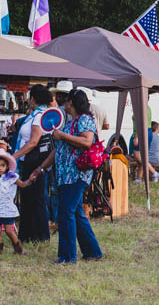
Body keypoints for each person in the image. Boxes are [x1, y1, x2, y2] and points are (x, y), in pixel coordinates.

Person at [31, 89, 103, 263]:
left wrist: (62, 135)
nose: (64, 103)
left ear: (72, 102)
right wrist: (40, 168)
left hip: (76, 175)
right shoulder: (70, 123)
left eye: (66, 100)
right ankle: (92, 251)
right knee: (76, 213)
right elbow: (58, 151)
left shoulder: (84, 120)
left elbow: (87, 141)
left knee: (66, 213)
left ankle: (67, 256)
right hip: (66, 176)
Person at [12, 84, 52, 243]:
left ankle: (40, 235)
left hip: (34, 161)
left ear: (33, 98)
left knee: (36, 198)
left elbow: (33, 142)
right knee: (28, 198)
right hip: (29, 161)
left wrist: (14, 156)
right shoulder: (34, 114)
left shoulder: (39, 116)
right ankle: (28, 234)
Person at [0, 149, 32, 254]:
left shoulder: (11, 177)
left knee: (9, 231)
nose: (0, 168)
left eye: (2, 165)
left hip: (7, 209)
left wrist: (29, 181)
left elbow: (22, 184)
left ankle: (18, 248)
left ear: (7, 167)